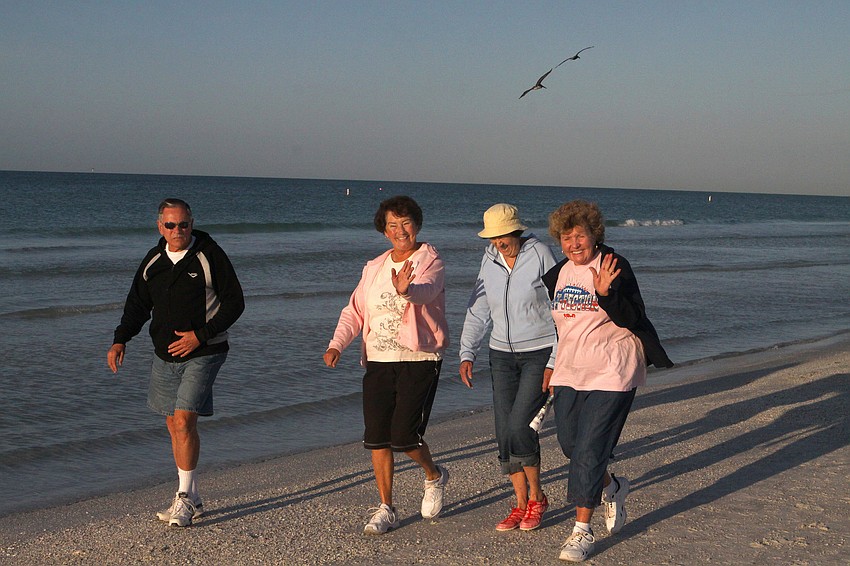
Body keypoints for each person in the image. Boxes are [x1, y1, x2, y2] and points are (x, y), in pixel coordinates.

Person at [541, 200, 672, 562]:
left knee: (588, 449)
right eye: (566, 238)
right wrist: (552, 365)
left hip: (614, 368)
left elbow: (633, 316)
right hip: (572, 369)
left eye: (579, 236)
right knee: (570, 445)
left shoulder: (614, 266)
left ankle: (582, 530)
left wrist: (605, 294)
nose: (573, 244)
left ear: (594, 235)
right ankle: (612, 486)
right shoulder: (558, 274)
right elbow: (562, 328)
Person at [107, 198, 245, 527]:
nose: (177, 231)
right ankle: (193, 495)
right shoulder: (153, 260)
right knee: (174, 425)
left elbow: (235, 302)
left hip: (206, 350)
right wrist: (120, 339)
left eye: (183, 224)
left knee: (183, 422)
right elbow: (137, 304)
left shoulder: (209, 255)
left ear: (191, 222)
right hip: (164, 354)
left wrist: (200, 334)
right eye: (170, 225)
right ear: (160, 227)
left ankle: (182, 499)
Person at [323, 195, 450, 535]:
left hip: (418, 358)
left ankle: (434, 475)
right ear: (384, 230)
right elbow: (355, 310)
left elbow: (426, 291)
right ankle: (386, 507)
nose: (400, 231)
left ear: (417, 225)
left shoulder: (430, 259)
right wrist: (337, 344)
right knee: (378, 438)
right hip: (378, 359)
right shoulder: (375, 267)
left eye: (406, 223)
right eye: (392, 225)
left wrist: (407, 290)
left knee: (404, 436)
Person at [459, 203, 557, 531]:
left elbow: (561, 307)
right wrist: (466, 352)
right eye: (493, 238)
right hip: (500, 355)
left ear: (516, 230)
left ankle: (538, 497)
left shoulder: (540, 253)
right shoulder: (489, 258)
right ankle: (519, 504)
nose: (499, 243)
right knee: (504, 433)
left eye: (504, 237)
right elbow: (479, 308)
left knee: (520, 427)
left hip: (538, 353)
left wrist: (557, 359)